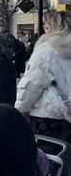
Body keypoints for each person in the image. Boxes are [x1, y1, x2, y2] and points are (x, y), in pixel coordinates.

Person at [15, 11, 71, 141]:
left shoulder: (47, 49)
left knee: (51, 156)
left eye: (46, 25)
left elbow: (32, 83)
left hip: (50, 116)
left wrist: (21, 109)